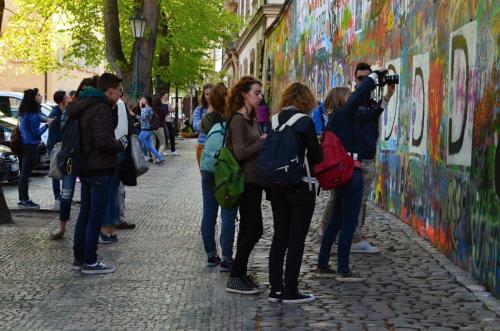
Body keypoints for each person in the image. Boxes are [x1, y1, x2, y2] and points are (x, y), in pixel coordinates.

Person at [316, 71, 384, 281]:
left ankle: (323, 264)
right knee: (348, 222)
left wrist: (386, 97)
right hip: (350, 173)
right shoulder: (343, 115)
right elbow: (359, 95)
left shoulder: (340, 120)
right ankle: (343, 269)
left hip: (343, 173)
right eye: (348, 96)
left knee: (336, 220)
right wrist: (373, 77)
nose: (352, 98)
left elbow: (369, 115)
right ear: (341, 101)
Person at [268, 82, 323, 304]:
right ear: (305, 100)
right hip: (301, 186)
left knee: (279, 236)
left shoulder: (273, 121)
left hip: (277, 185)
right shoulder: (305, 122)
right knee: (296, 239)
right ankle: (291, 289)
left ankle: (275, 289)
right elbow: (317, 157)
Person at [70, 73, 127, 274]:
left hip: (85, 166)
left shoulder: (86, 103)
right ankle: (91, 260)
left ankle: (79, 257)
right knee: (95, 216)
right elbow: (102, 141)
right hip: (99, 168)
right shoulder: (101, 108)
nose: (121, 94)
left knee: (85, 214)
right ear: (110, 90)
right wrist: (120, 144)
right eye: (119, 90)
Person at [224, 76, 266, 295]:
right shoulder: (238, 119)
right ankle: (235, 275)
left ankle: (239, 274)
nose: (260, 97)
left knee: (248, 229)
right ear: (244, 94)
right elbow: (239, 153)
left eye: (260, 93)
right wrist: (261, 142)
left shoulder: (252, 118)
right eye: (256, 92)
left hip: (255, 180)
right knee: (255, 229)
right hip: (245, 182)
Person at [351, 62, 395, 253]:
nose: (364, 83)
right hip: (357, 159)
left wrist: (387, 96)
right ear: (355, 79)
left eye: (367, 79)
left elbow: (372, 115)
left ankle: (339, 233)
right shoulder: (354, 100)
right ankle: (354, 238)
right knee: (357, 201)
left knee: (357, 201)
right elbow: (366, 117)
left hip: (367, 157)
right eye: (361, 79)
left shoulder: (368, 101)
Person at [50, 77, 99, 240]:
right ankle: (62, 226)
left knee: (90, 198)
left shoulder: (97, 106)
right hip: (71, 155)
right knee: (67, 194)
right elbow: (62, 127)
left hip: (88, 157)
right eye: (84, 90)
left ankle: (92, 230)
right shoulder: (72, 107)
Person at [199, 83, 238, 272]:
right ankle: (227, 257)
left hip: (207, 168)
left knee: (209, 213)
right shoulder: (232, 118)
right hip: (225, 168)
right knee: (228, 213)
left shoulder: (207, 119)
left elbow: (200, 128)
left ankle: (210, 255)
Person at [17, 88, 54, 208]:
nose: (41, 97)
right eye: (38, 95)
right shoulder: (32, 113)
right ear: (33, 98)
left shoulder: (26, 110)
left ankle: (22, 199)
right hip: (30, 145)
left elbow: (41, 116)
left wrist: (46, 119)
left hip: (24, 144)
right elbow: (36, 133)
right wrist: (47, 125)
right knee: (25, 174)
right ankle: (25, 200)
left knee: (23, 172)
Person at [99, 96, 129, 244]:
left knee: (107, 192)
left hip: (111, 150)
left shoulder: (111, 105)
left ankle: (106, 228)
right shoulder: (120, 104)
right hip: (119, 148)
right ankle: (111, 227)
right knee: (114, 192)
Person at [47, 90, 70, 205]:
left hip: (63, 145)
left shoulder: (65, 111)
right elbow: (53, 133)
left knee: (63, 170)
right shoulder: (55, 113)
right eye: (67, 97)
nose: (69, 98)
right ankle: (57, 196)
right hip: (55, 146)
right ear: (62, 101)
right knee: (56, 171)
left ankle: (63, 194)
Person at [137, 96, 165, 165]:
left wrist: (134, 115)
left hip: (146, 129)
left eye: (143, 99)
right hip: (148, 129)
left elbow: (143, 118)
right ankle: (160, 158)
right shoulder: (147, 108)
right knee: (150, 146)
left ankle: (144, 156)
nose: (141, 100)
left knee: (138, 142)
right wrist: (141, 107)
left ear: (146, 100)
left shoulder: (148, 109)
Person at [193, 83, 213, 166]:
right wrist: (208, 112)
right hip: (202, 146)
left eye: (212, 94)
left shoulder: (221, 110)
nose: (209, 96)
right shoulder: (199, 110)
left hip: (216, 146)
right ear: (204, 95)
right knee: (205, 177)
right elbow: (196, 127)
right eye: (207, 94)